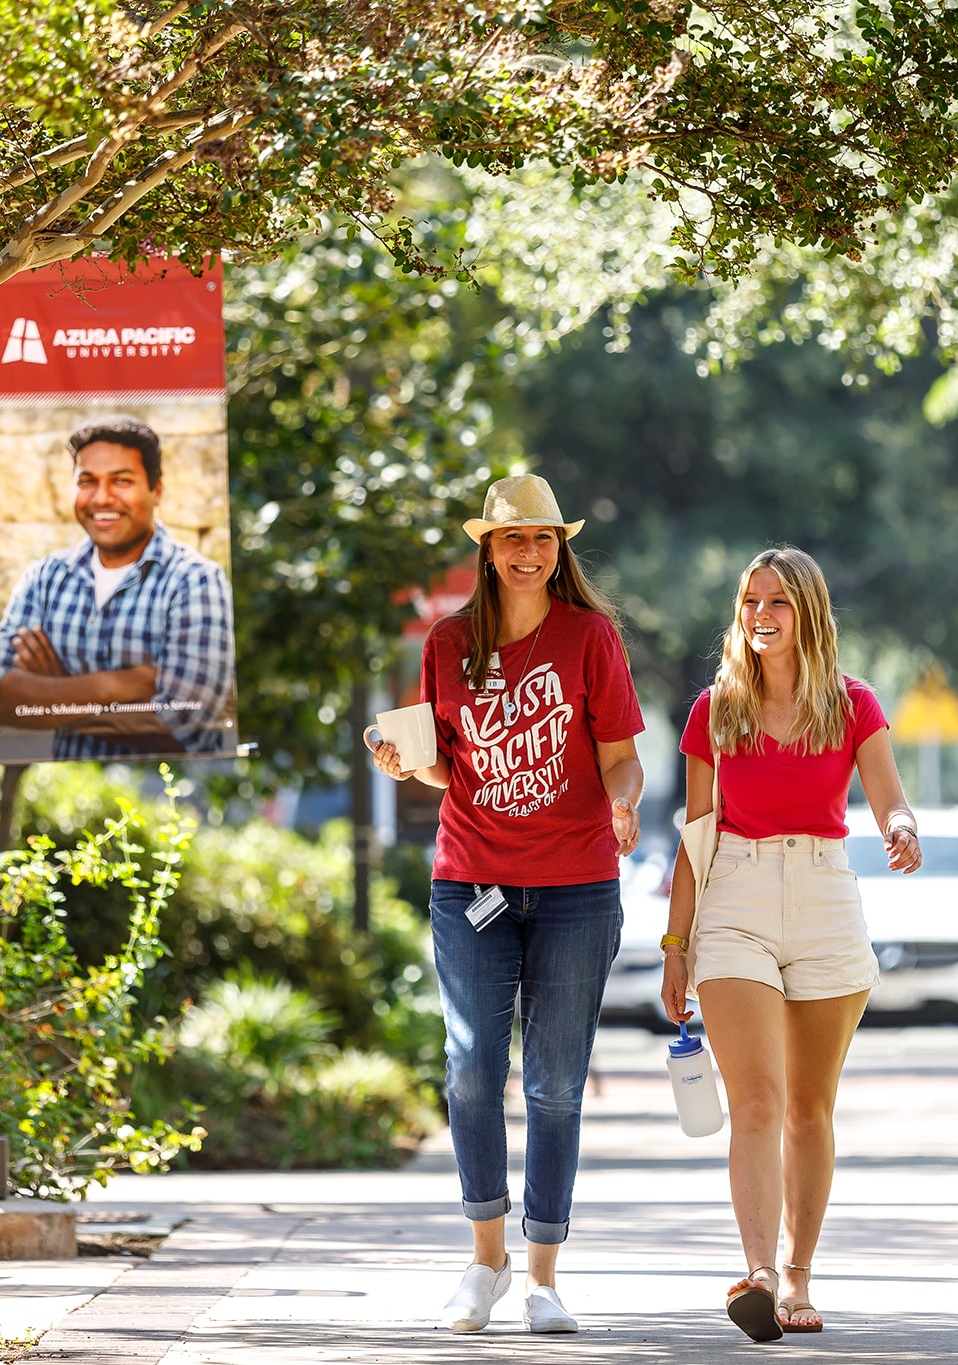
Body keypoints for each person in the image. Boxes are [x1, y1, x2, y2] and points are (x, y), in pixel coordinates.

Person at [370, 473, 645, 1335]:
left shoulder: (590, 637)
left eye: (543, 540)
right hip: (472, 879)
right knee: (472, 1068)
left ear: (559, 549)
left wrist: (627, 800)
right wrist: (407, 764)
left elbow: (620, 757)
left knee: (557, 1084)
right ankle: (483, 1262)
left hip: (577, 884)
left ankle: (543, 1277)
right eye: (512, 539)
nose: (529, 553)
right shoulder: (449, 643)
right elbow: (452, 765)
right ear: (486, 551)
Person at [659, 546, 921, 1343]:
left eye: (778, 602)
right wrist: (676, 945)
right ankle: (759, 1270)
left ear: (807, 611)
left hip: (824, 896)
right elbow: (695, 838)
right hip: (733, 896)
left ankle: (801, 1271)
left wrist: (902, 830)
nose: (762, 615)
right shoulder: (716, 708)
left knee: (809, 1107)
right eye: (750, 602)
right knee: (759, 1101)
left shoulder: (852, 703)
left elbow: (890, 801)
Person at [0, 415, 235, 759]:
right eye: (87, 481)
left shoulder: (195, 582)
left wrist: (55, 691)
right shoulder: (45, 578)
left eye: (121, 481)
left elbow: (185, 725)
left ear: (156, 490)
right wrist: (122, 685)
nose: (102, 497)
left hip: (169, 797)